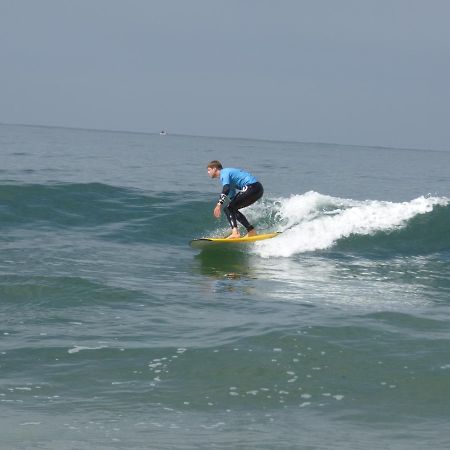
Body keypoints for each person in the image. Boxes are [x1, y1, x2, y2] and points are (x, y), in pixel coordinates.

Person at [207, 160, 264, 239]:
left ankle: (235, 233)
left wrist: (219, 204)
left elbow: (226, 189)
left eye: (209, 170)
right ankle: (251, 231)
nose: (208, 172)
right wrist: (230, 209)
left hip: (252, 187)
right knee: (230, 209)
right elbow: (231, 195)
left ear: (215, 169)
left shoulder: (224, 173)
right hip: (257, 190)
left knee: (229, 208)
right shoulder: (228, 178)